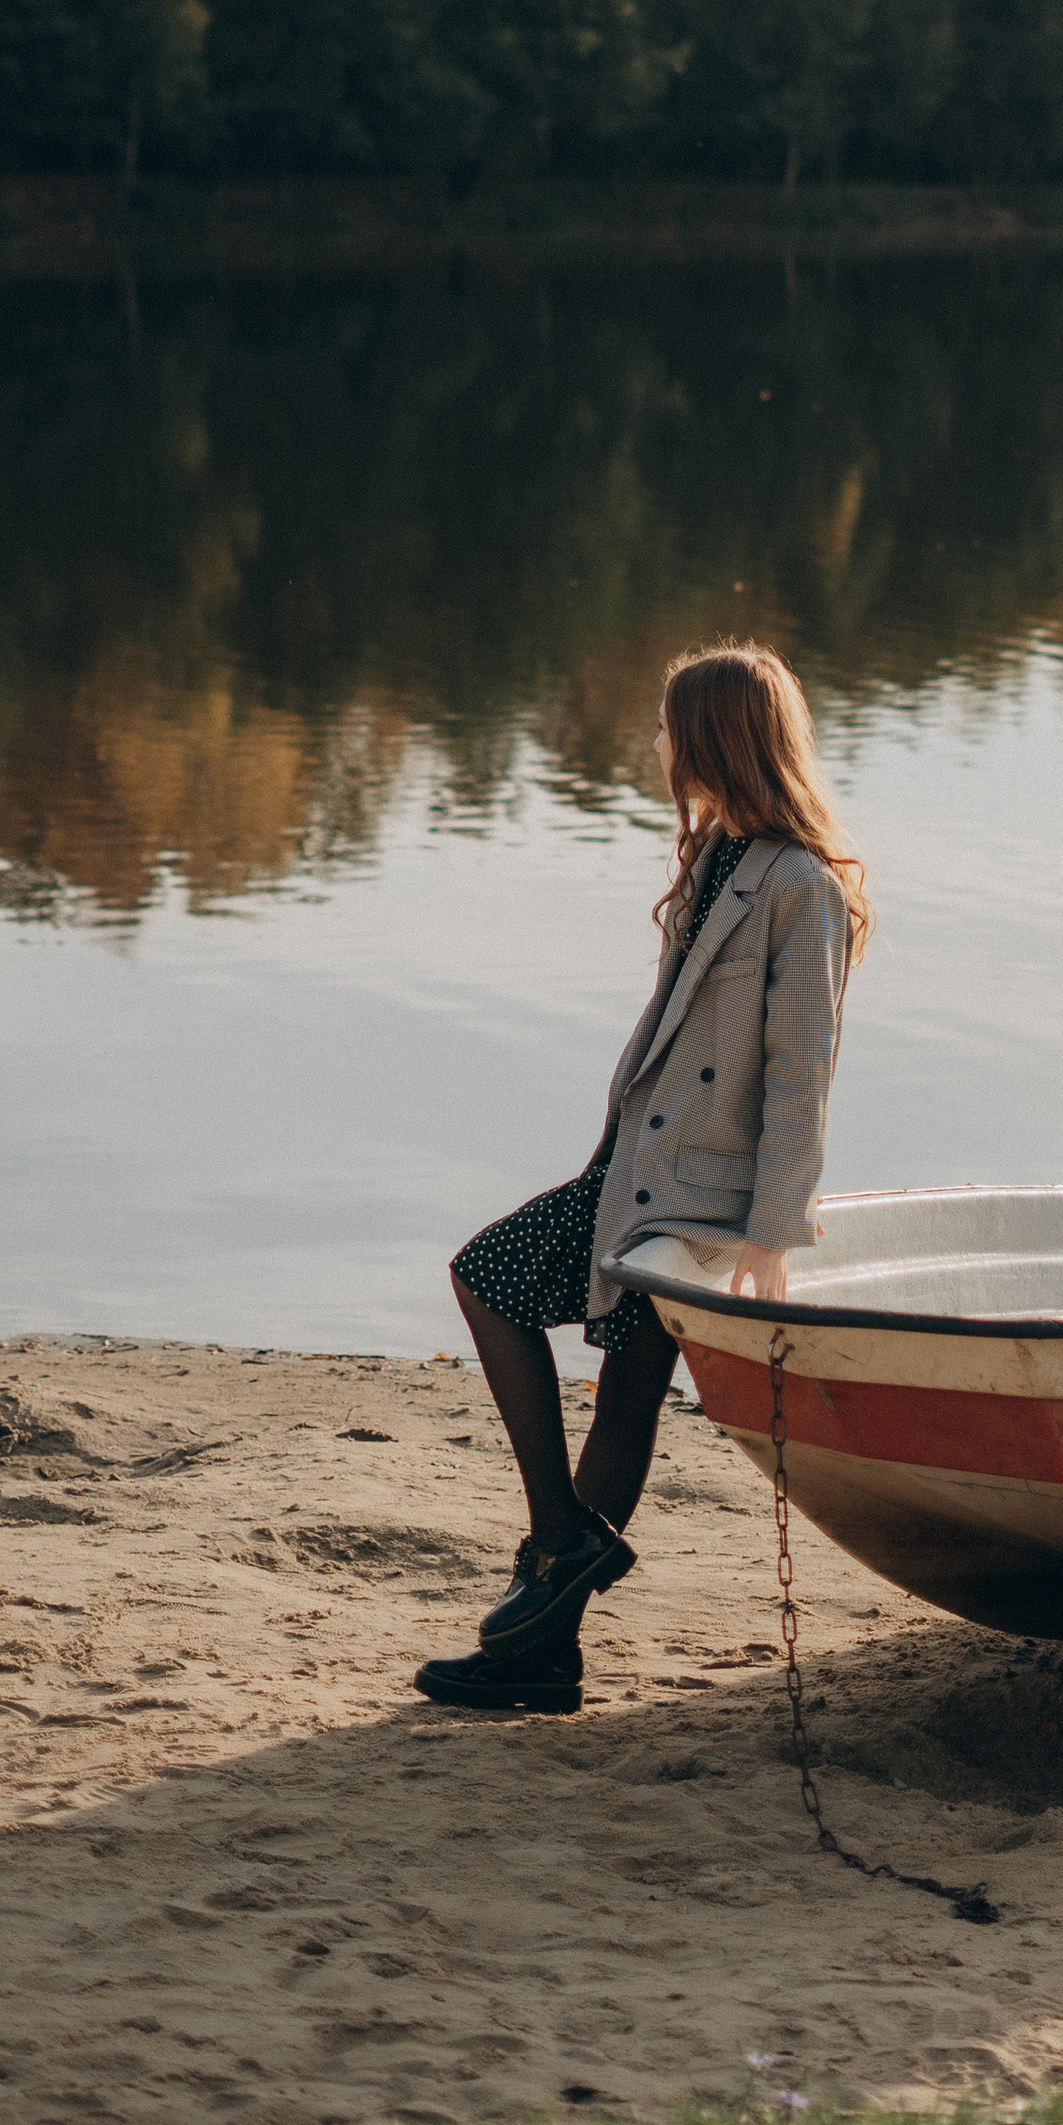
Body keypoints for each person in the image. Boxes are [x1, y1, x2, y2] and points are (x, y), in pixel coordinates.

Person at [413, 641, 869, 1713]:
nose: (656, 743)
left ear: (714, 736)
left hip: (696, 1191)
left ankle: (558, 1553)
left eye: (669, 725)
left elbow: (803, 1072)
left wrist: (771, 1230)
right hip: (639, 1164)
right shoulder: (720, 853)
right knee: (620, 1380)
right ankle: (546, 1637)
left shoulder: (802, 887)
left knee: (492, 1282)